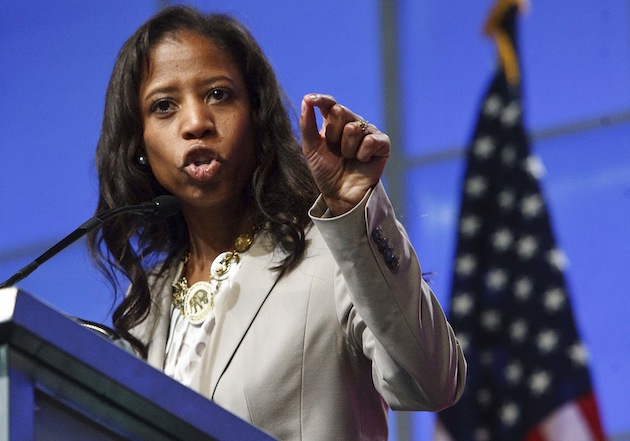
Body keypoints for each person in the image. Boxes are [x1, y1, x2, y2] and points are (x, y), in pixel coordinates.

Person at [88, 5, 466, 441]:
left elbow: (432, 383)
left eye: (218, 94)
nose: (196, 123)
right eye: (164, 106)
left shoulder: (333, 257)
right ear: (138, 144)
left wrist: (356, 211)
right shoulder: (146, 305)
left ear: (257, 116)